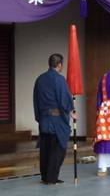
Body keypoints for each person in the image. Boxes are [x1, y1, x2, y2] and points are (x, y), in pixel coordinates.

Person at [33, 54, 75, 185]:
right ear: (59, 65)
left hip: (44, 119)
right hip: (56, 121)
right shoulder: (59, 79)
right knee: (57, 150)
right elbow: (64, 100)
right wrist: (71, 110)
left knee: (45, 149)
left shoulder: (39, 79)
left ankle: (45, 176)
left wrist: (39, 117)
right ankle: (51, 178)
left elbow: (35, 100)